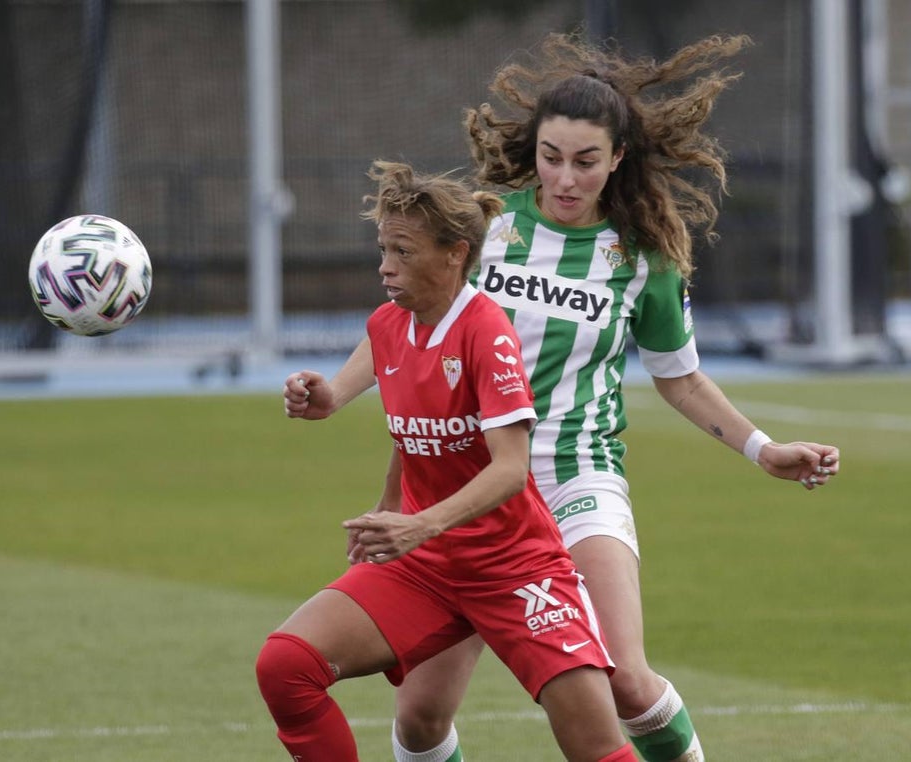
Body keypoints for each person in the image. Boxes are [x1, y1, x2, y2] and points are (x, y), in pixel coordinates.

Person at [283, 33, 841, 762]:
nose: (565, 178)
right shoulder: (487, 225)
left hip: (577, 477)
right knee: (420, 716)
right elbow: (410, 318)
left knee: (626, 682)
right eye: (551, 157)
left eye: (585, 161)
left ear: (617, 158)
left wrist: (762, 449)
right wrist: (334, 392)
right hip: (469, 484)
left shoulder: (642, 259)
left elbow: (680, 379)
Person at [258, 160, 641, 762]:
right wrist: (385, 500)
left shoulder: (487, 332)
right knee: (286, 666)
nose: (385, 267)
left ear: (455, 254)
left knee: (596, 744)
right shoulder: (389, 325)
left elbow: (511, 468)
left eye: (403, 252)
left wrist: (419, 523)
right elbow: (412, 431)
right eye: (383, 250)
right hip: (426, 567)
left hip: (515, 568)